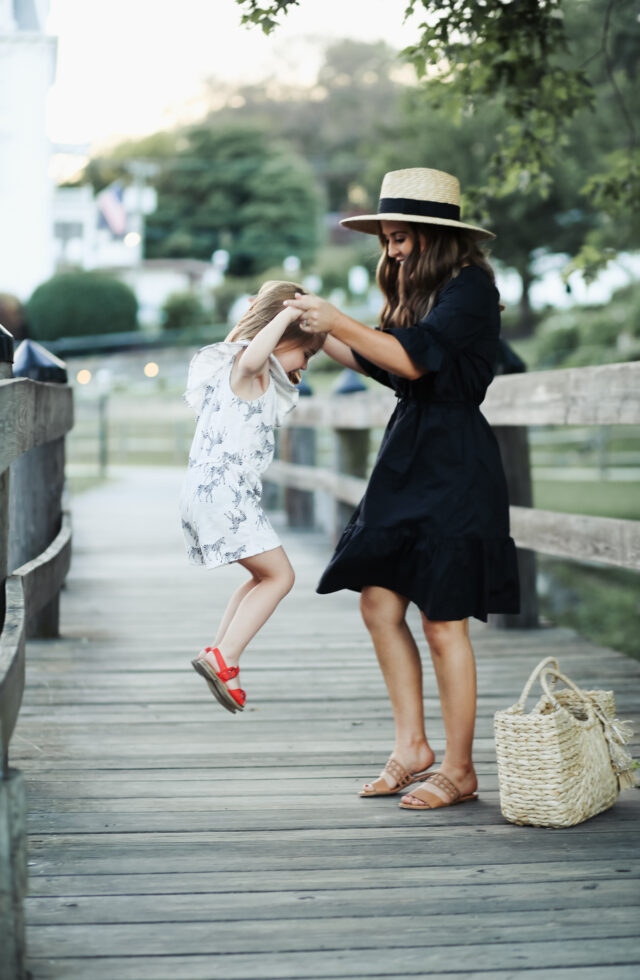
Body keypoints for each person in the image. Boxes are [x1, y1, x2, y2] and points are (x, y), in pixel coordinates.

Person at [286, 168, 520, 810]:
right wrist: (315, 326)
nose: (390, 250)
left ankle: (461, 767)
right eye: (386, 238)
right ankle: (411, 746)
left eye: (399, 237)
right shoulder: (421, 292)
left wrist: (342, 320)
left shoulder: (472, 289)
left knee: (443, 621)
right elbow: (387, 364)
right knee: (379, 604)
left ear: (433, 236)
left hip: (454, 464)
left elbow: (417, 358)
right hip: (407, 454)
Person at [180, 280, 325, 714]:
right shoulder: (249, 365)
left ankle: (222, 655)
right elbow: (257, 353)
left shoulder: (245, 369)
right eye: (307, 352)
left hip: (212, 492)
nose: (306, 363)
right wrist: (284, 314)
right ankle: (225, 657)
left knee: (261, 576)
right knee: (281, 577)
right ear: (285, 338)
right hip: (224, 494)